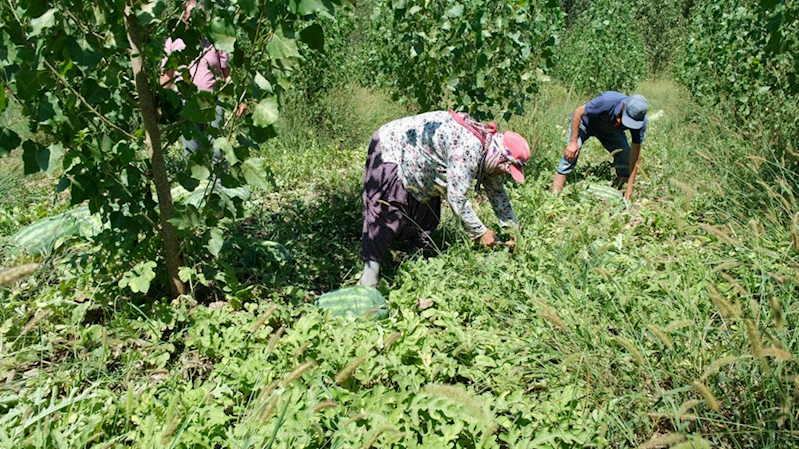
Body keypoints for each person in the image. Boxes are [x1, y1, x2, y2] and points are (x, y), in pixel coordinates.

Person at [358, 110, 531, 287]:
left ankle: (408, 264)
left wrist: (513, 230)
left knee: (426, 216)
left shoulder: (489, 152)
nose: (503, 173)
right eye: (506, 169)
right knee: (387, 210)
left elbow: (497, 194)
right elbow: (457, 198)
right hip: (392, 146)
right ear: (500, 158)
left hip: (420, 156)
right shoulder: (469, 149)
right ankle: (369, 279)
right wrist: (480, 232)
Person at [159, 0, 243, 166]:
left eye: (200, 16)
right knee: (192, 154)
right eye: (192, 15)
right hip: (186, 104)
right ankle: (199, 189)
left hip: (214, 103)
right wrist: (160, 104)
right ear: (184, 17)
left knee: (219, 148)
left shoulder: (215, 40)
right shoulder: (174, 41)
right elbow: (166, 75)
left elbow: (228, 75)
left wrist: (240, 98)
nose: (195, 20)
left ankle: (220, 187)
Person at [551, 91, 648, 199]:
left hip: (610, 131)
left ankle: (622, 193)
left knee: (625, 155)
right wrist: (573, 143)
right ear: (624, 105)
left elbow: (635, 153)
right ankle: (555, 197)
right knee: (571, 155)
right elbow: (578, 112)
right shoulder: (607, 101)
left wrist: (630, 187)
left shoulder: (640, 121)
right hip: (585, 124)